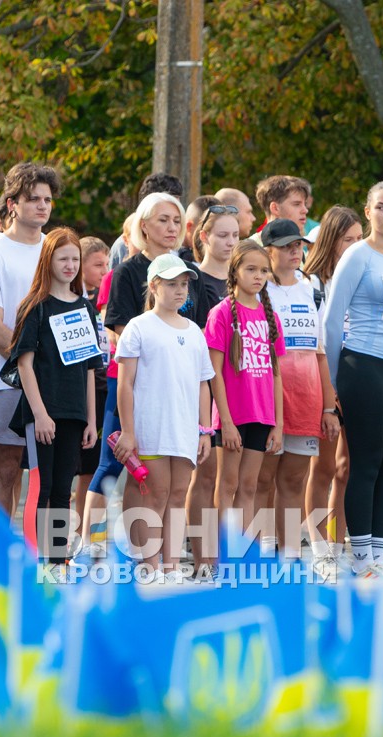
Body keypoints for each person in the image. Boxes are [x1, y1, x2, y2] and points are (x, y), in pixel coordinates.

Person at [322, 181, 383, 576]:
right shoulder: (356, 256)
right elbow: (330, 322)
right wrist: (332, 384)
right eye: (381, 207)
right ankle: (361, 556)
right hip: (363, 364)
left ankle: (380, 554)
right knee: (365, 462)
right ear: (368, 211)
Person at [0, 162, 62, 517]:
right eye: (32, 198)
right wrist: (31, 366)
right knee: (5, 470)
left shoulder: (57, 251)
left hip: (56, 380)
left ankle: (50, 564)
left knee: (55, 476)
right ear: (12, 204)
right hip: (6, 381)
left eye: (47, 199)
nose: (42, 206)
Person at [113, 254, 214, 581]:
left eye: (184, 284)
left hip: (184, 430)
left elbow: (203, 384)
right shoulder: (139, 327)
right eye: (172, 284)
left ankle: (171, 568)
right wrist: (128, 431)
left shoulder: (195, 332)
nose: (180, 291)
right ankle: (149, 566)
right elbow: (125, 383)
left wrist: (204, 430)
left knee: (176, 496)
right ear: (154, 286)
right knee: (154, 495)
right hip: (151, 427)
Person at [8, 228, 100, 571]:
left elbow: (91, 368)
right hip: (43, 413)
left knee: (64, 488)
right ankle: (36, 562)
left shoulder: (85, 308)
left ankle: (57, 560)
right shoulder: (36, 307)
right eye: (63, 258)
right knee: (42, 486)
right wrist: (40, 414)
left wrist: (91, 419)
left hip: (75, 413)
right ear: (48, 261)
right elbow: (24, 363)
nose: (70, 265)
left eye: (75, 259)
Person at [258, 220, 339, 568]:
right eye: (288, 246)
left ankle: (290, 556)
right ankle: (262, 552)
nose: (296, 251)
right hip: (267, 397)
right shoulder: (258, 290)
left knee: (293, 480)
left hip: (306, 395)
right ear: (268, 251)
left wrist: (328, 406)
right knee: (262, 479)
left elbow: (319, 351)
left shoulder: (311, 287)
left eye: (299, 245)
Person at [207, 240, 284, 538]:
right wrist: (225, 421)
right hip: (232, 416)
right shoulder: (222, 313)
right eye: (251, 269)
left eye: (263, 270)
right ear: (235, 271)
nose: (258, 276)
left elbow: (276, 375)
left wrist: (278, 423)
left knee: (250, 486)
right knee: (227, 484)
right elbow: (214, 372)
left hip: (262, 415)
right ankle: (225, 556)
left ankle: (244, 556)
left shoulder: (270, 317)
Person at [300, 205, 362, 554]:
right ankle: (320, 544)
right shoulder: (310, 283)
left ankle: (337, 542)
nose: (354, 246)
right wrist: (329, 391)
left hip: (356, 381)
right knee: (322, 467)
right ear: (330, 241)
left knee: (346, 467)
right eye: (346, 240)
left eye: (358, 239)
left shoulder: (360, 275)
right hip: (321, 385)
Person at [183, 203, 241, 565]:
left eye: (236, 235)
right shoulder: (192, 281)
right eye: (222, 235)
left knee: (232, 481)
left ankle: (225, 553)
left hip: (239, 389)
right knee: (204, 476)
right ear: (203, 237)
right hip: (202, 388)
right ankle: (203, 557)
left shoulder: (246, 280)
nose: (230, 243)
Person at [72, 235, 111, 540]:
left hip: (100, 387)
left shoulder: (105, 297)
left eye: (107, 264)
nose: (104, 270)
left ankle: (85, 530)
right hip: (77, 388)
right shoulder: (76, 301)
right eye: (98, 264)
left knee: (91, 465)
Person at [108, 173, 184, 270]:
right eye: (163, 219)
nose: (172, 227)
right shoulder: (125, 245)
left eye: (176, 220)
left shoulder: (177, 246)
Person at [252, 175, 309, 240]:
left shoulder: (306, 244)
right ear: (275, 208)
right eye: (296, 204)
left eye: (305, 204)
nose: (305, 210)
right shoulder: (250, 248)